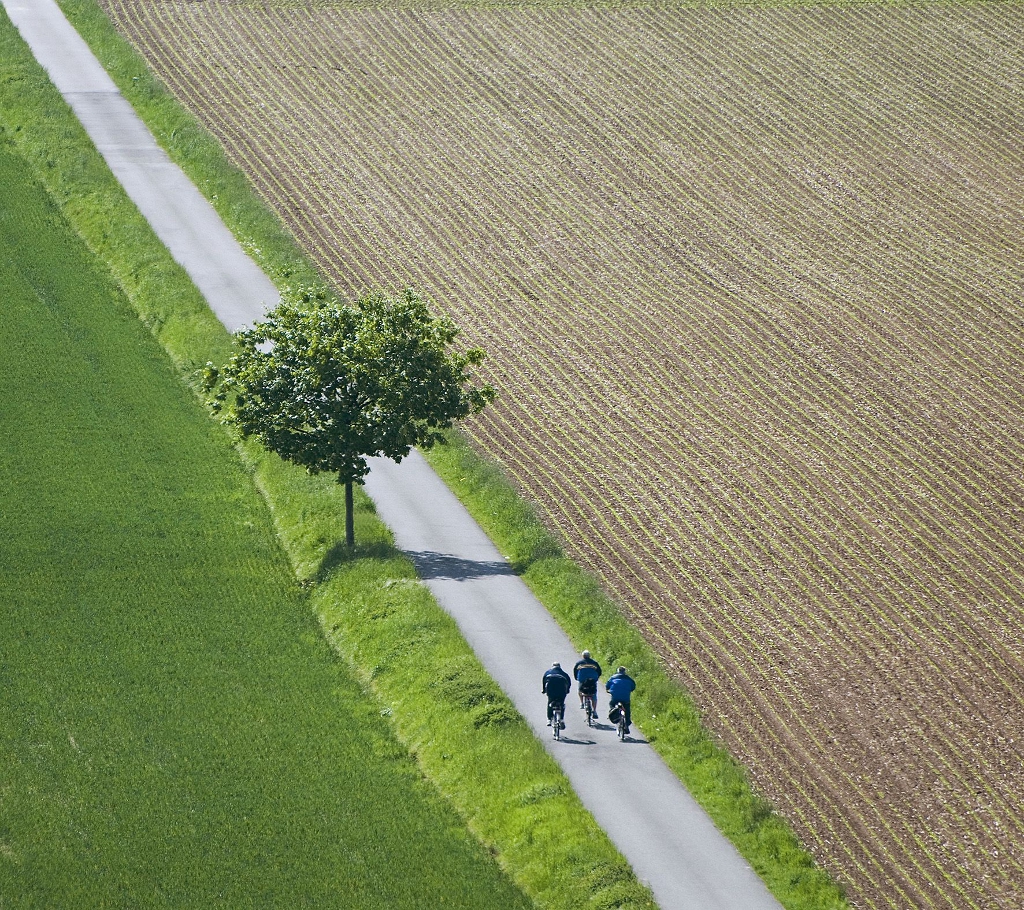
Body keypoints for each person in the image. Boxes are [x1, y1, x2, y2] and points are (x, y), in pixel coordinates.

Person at [606, 666, 636, 734]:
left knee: (611, 704)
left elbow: (607, 686)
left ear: (618, 671)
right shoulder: (629, 679)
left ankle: (613, 712)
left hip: (615, 697)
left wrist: (608, 690)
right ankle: (627, 723)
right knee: (627, 710)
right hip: (625, 698)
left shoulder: (612, 678)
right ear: (624, 672)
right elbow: (633, 687)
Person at [542, 661, 572, 728]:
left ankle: (549, 719)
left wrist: (544, 690)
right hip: (561, 691)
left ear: (552, 666)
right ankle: (561, 719)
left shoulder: (548, 673)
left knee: (550, 703)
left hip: (551, 691)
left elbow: (544, 681)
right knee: (562, 704)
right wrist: (567, 690)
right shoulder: (564, 674)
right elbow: (569, 683)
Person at [573, 650, 602, 718]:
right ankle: (594, 711)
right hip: (592, 680)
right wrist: (596, 677)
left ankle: (581, 703)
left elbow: (575, 671)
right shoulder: (594, 663)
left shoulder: (579, 663)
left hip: (582, 680)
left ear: (583, 656)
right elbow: (599, 671)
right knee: (593, 694)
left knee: (580, 690)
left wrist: (577, 678)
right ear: (589, 656)